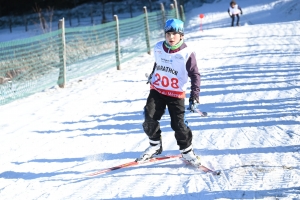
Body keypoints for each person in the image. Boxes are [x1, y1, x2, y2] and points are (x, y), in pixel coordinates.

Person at [136, 18, 201, 167]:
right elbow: (159, 63)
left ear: (181, 35)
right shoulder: (158, 47)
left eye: (174, 34)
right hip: (158, 90)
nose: (171, 37)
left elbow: (195, 75)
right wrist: (153, 75)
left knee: (178, 124)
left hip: (176, 94)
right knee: (149, 117)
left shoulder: (187, 53)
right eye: (168, 34)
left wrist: (194, 96)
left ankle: (187, 151)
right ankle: (155, 145)